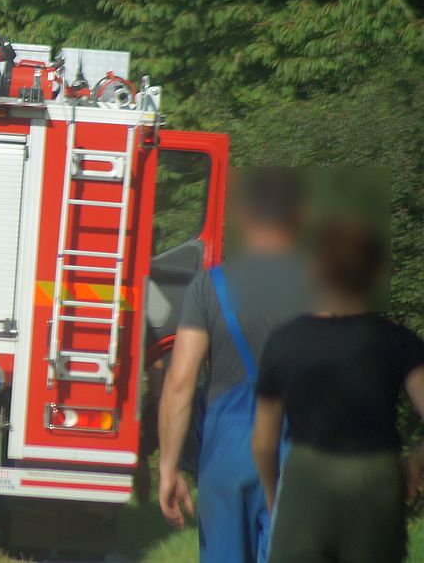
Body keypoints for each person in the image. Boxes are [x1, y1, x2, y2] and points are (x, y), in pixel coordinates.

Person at [158, 169, 313, 563]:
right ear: (299, 218)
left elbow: (179, 382)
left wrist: (169, 467)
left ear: (244, 218)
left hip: (227, 451)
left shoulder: (209, 287)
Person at [253, 217, 424, 563]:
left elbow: (264, 443)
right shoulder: (397, 341)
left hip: (306, 478)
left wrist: (276, 498)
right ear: (376, 272)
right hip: (376, 480)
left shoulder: (285, 342)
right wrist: (416, 463)